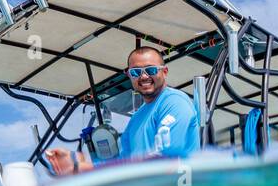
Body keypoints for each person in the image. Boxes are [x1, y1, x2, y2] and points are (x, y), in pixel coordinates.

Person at [44, 46, 199, 176]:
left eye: (151, 70)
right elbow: (122, 166)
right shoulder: (135, 120)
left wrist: (80, 167)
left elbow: (165, 160)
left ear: (164, 72)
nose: (144, 76)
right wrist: (75, 161)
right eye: (136, 72)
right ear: (129, 75)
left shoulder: (174, 102)